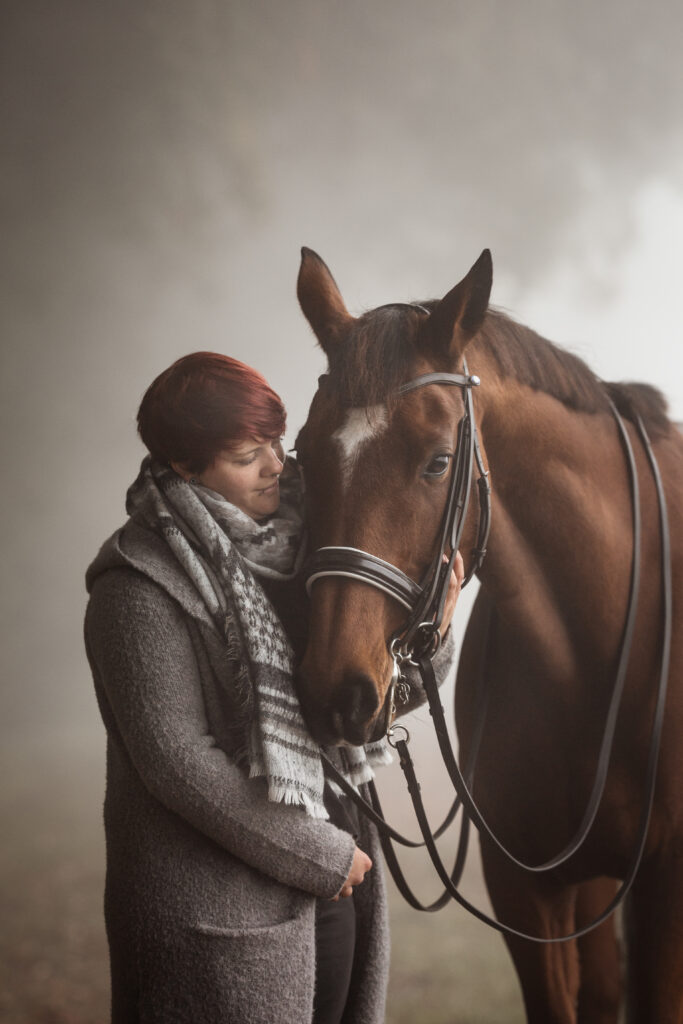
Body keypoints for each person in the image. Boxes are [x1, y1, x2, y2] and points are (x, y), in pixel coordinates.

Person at [84, 351, 463, 1024]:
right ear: (182, 466)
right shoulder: (136, 586)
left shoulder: (302, 555)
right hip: (221, 912)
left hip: (335, 883)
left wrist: (433, 634)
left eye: (275, 445)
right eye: (244, 456)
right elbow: (176, 762)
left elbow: (358, 706)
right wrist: (319, 853)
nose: (274, 467)